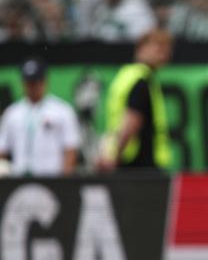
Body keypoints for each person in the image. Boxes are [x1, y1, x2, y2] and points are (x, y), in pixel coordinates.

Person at [98, 29, 173, 171]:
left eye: (167, 49)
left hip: (127, 161)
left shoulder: (126, 75)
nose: (164, 54)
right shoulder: (141, 80)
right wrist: (115, 156)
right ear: (141, 48)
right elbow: (132, 120)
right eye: (159, 48)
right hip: (139, 166)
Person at [0, 57, 80, 176]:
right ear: (23, 83)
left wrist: (64, 181)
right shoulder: (12, 113)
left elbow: (70, 148)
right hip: (19, 177)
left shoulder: (62, 111)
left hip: (51, 177)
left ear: (44, 81)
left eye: (36, 82)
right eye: (29, 82)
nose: (33, 87)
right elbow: (2, 149)